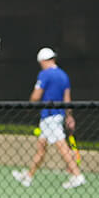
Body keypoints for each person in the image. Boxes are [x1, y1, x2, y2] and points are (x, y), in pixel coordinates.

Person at [12, 48, 85, 189]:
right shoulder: (64, 76)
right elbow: (67, 99)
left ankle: (77, 175)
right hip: (54, 116)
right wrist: (69, 116)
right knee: (41, 149)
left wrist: (30, 106)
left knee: (62, 147)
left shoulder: (44, 74)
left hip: (50, 116)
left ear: (44, 61)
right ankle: (28, 176)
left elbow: (36, 95)